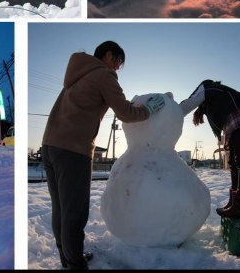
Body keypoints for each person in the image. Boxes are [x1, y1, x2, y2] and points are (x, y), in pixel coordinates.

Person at [41, 41, 165, 270]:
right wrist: (150, 110)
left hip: (50, 147)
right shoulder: (103, 75)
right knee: (75, 212)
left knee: (61, 208)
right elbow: (126, 113)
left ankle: (67, 257)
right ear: (109, 55)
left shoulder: (77, 74)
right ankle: (75, 263)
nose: (117, 68)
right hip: (73, 150)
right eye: (118, 62)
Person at [179, 80, 240, 219]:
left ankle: (239, 206)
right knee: (233, 162)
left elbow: (189, 102)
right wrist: (200, 110)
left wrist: (172, 112)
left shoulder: (208, 87)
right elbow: (200, 103)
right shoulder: (211, 98)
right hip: (232, 122)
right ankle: (234, 202)